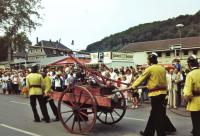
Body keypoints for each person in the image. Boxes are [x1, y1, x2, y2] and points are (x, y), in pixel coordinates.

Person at [130, 52, 175, 136]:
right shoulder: (162, 68)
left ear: (150, 61)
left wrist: (133, 86)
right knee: (156, 113)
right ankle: (149, 133)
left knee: (157, 114)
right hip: (163, 93)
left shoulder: (150, 68)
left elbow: (141, 78)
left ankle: (161, 133)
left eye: (147, 60)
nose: (147, 62)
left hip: (155, 94)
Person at [183, 55, 200, 136]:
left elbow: (188, 93)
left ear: (189, 64)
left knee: (196, 123)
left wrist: (186, 99)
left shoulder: (190, 74)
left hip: (195, 102)